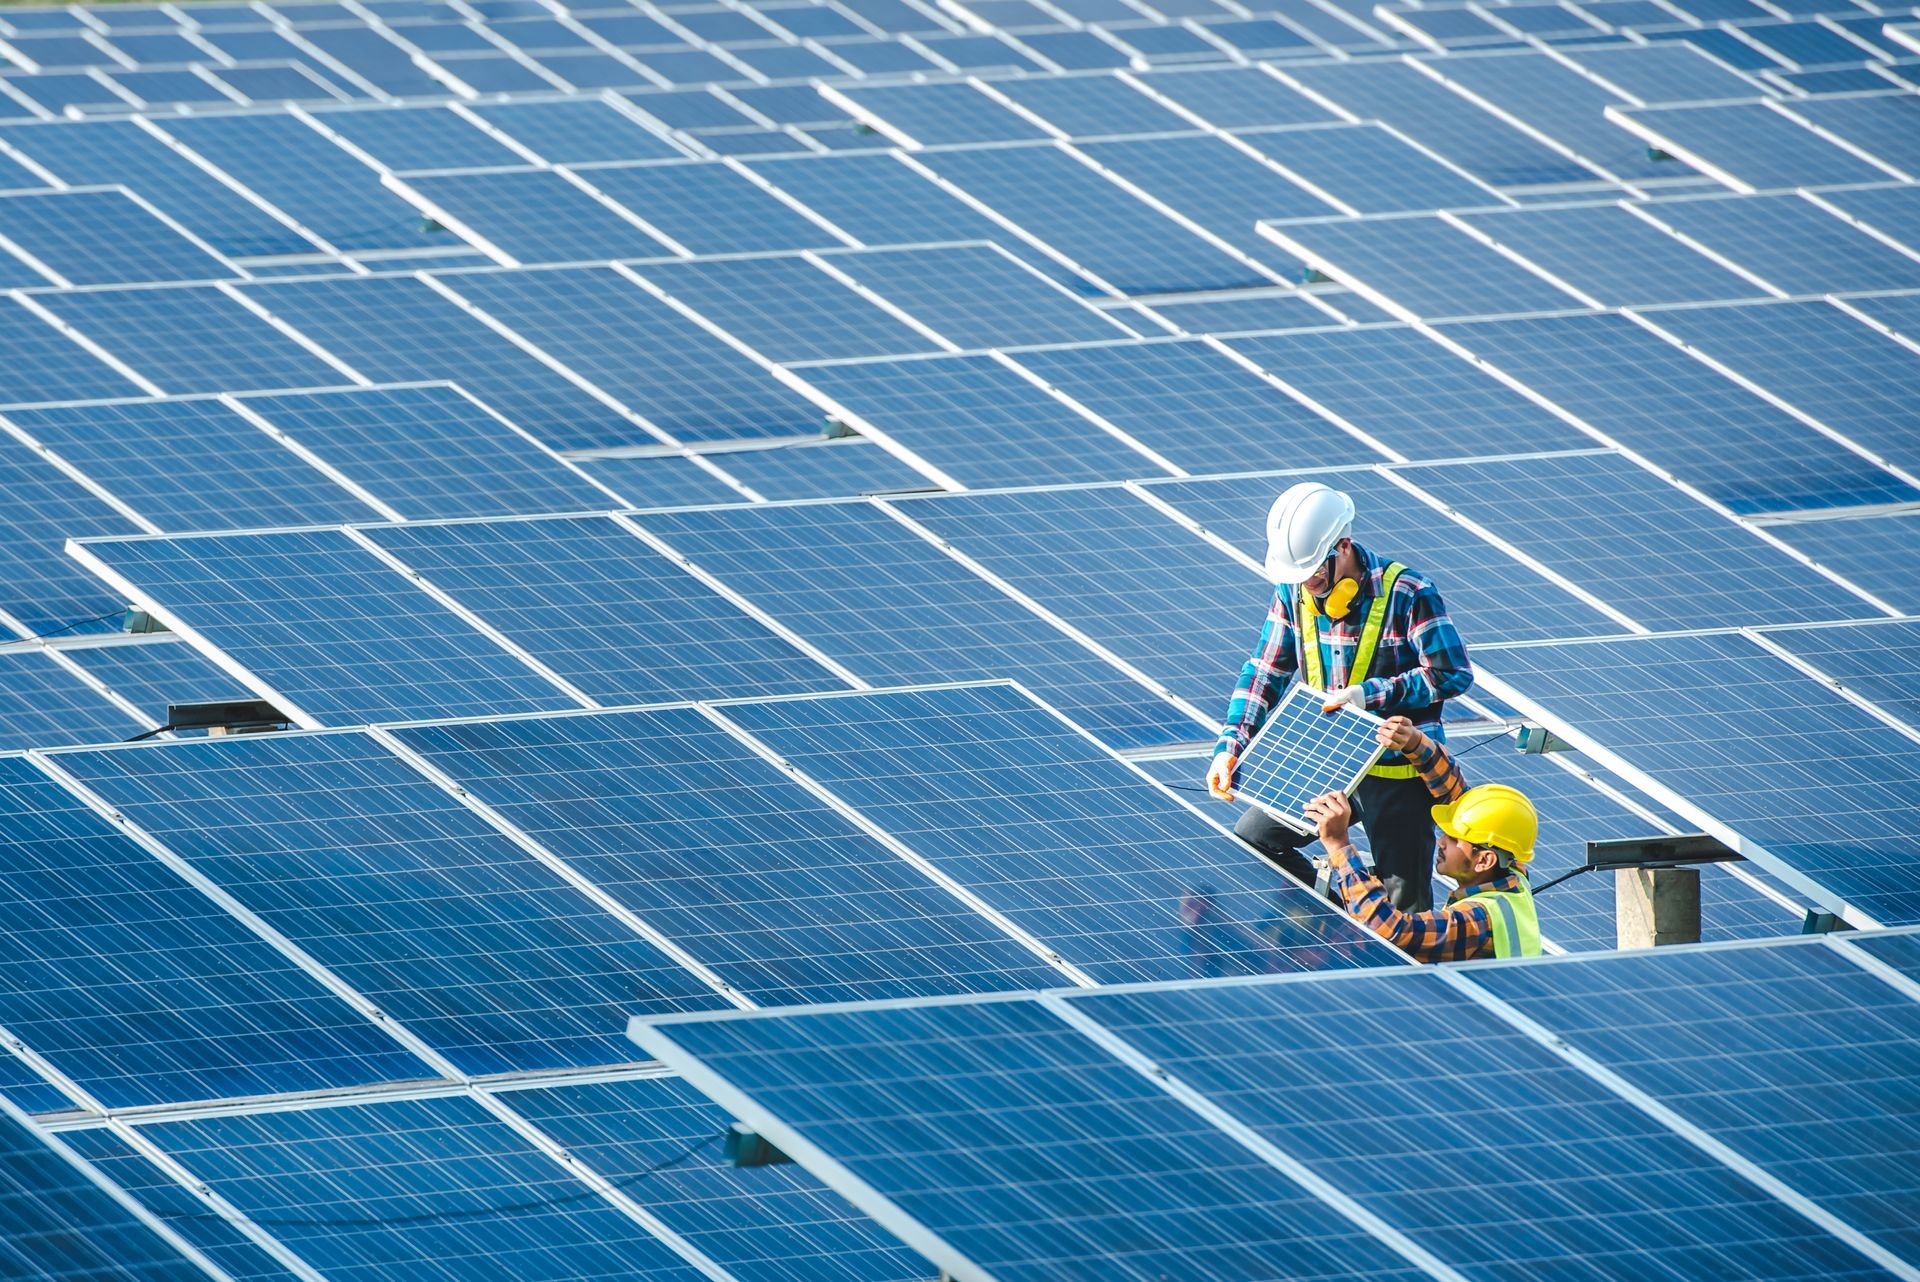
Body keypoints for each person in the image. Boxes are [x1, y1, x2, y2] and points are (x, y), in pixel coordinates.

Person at [1208, 481, 1473, 910]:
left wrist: (1369, 695)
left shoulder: (1408, 593)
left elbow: (1452, 674)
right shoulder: (1293, 592)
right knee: (1256, 838)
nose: (1308, 584)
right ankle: (1345, 923)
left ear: (1343, 546)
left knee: (1405, 906)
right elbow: (1264, 673)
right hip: (1325, 762)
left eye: (1313, 572)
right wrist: (1229, 747)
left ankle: (1386, 945)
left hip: (1397, 774)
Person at [1302, 715, 1540, 961]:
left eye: (1455, 838)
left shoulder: (1477, 920)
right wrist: (1415, 742)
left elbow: (1389, 931)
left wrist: (1338, 844)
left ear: (1485, 860)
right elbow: (1459, 798)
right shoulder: (1512, 871)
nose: (1442, 841)